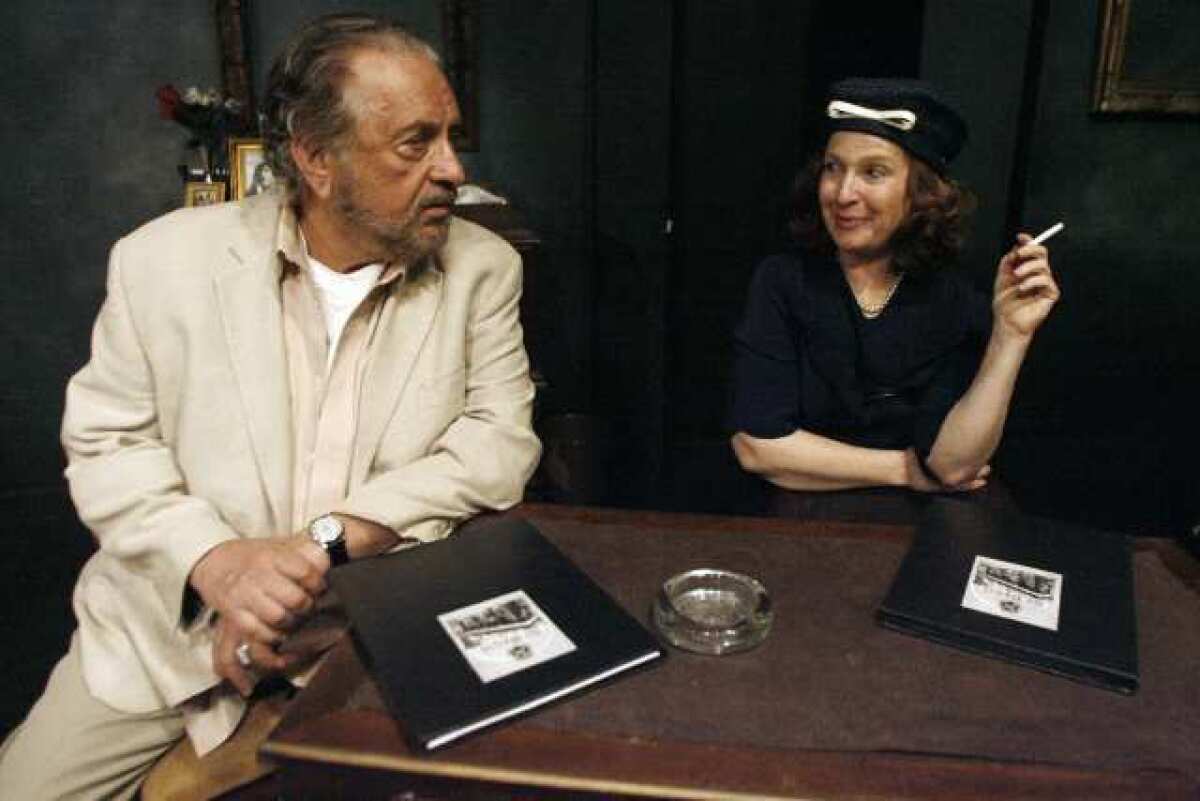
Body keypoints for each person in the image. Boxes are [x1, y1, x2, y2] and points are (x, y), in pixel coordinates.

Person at [0, 13, 540, 799]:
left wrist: (320, 546)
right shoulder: (159, 263)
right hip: (164, 634)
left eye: (451, 136)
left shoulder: (483, 268)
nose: (453, 168)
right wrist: (219, 567)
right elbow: (109, 445)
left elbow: (497, 445)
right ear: (317, 158)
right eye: (415, 142)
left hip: (366, 628)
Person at [729, 77, 1059, 522]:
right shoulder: (784, 281)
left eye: (874, 172)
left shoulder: (953, 298)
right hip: (803, 516)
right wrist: (904, 468)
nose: (844, 194)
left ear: (919, 193)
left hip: (929, 520)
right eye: (833, 167)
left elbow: (953, 465)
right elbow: (757, 447)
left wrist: (1011, 335)